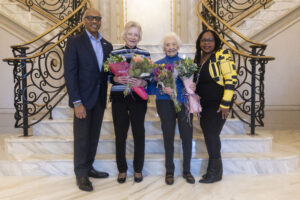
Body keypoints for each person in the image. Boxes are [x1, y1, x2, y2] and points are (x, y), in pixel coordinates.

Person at [64, 8, 113, 192]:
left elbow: (108, 72)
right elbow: (70, 74)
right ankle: (81, 174)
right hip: (82, 100)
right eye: (91, 18)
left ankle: (89, 167)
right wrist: (77, 102)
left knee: (93, 137)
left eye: (97, 18)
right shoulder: (75, 42)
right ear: (84, 20)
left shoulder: (107, 45)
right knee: (82, 137)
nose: (94, 21)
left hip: (99, 99)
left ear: (101, 21)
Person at [147, 32, 195, 185]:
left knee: (186, 137)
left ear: (178, 46)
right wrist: (162, 90)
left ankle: (187, 171)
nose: (171, 47)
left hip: (184, 103)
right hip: (164, 103)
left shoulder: (185, 64)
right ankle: (169, 171)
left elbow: (192, 86)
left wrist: (191, 86)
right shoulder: (158, 64)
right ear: (164, 47)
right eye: (167, 45)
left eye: (173, 44)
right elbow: (150, 88)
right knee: (168, 137)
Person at [192, 30, 237, 183]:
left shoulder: (222, 55)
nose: (207, 43)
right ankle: (213, 170)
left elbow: (231, 79)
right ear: (199, 42)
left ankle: (215, 173)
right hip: (203, 105)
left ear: (216, 42)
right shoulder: (198, 59)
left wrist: (225, 103)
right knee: (209, 136)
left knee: (211, 136)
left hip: (218, 103)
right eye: (204, 40)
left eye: (210, 40)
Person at [109, 21, 150, 183]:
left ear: (139, 37)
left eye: (136, 34)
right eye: (130, 33)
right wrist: (115, 78)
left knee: (139, 133)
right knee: (120, 134)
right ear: (124, 35)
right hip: (119, 97)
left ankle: (138, 169)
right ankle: (122, 169)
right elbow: (107, 76)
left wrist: (142, 83)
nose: (133, 37)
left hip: (138, 98)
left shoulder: (145, 54)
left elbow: (150, 79)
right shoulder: (114, 53)